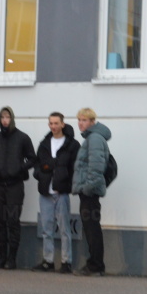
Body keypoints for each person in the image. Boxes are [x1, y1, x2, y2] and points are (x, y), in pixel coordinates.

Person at [0, 106, 37, 270]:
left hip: (15, 186)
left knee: (13, 222)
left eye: (7, 117)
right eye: (2, 118)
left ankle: (12, 259)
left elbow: (32, 159)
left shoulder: (22, 138)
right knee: (0, 221)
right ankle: (1, 257)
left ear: (12, 119)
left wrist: (19, 168)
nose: (5, 120)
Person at [32, 112, 79, 274]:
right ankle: (48, 260)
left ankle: (66, 261)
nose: (53, 126)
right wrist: (41, 174)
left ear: (62, 124)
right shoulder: (44, 144)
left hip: (62, 193)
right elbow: (37, 165)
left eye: (56, 123)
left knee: (65, 228)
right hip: (45, 191)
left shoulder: (71, 145)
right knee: (47, 228)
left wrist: (66, 184)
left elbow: (74, 168)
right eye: (51, 123)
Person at [72, 107, 112, 276]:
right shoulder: (92, 138)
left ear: (92, 121)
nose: (81, 123)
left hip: (90, 192)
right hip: (89, 191)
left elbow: (96, 168)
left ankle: (96, 265)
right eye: (79, 120)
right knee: (91, 228)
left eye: (84, 120)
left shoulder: (94, 138)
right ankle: (95, 264)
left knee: (92, 229)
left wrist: (86, 188)